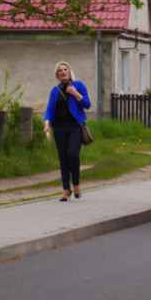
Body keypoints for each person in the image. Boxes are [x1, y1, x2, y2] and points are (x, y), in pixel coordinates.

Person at [43, 62, 91, 202]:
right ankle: (66, 189)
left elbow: (87, 104)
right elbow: (49, 109)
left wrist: (75, 93)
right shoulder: (55, 90)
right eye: (60, 70)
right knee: (63, 158)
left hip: (75, 127)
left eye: (65, 69)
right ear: (57, 74)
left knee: (73, 154)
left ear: (70, 71)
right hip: (59, 128)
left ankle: (76, 184)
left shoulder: (79, 85)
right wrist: (46, 125)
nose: (63, 72)